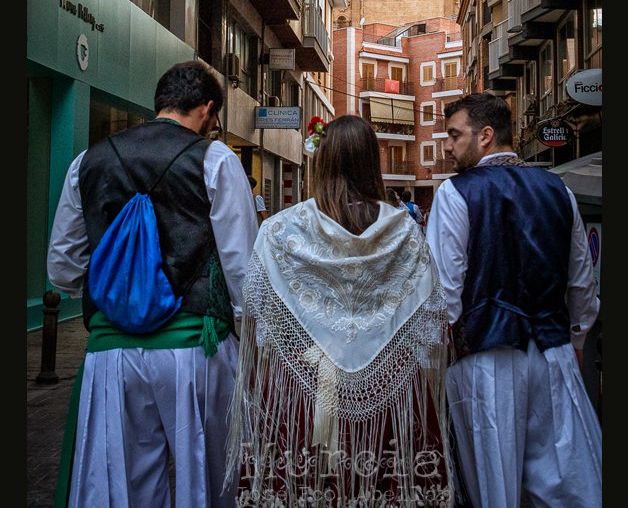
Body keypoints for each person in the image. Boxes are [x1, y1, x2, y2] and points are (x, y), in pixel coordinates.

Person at [47, 58, 259, 508]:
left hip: (111, 355)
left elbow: (63, 268)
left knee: (124, 488)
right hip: (195, 349)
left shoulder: (87, 162)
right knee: (205, 479)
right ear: (207, 109)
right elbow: (243, 268)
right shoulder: (216, 160)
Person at [224, 114, 455, 505]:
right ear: (372, 161)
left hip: (302, 389)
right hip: (389, 390)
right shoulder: (404, 231)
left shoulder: (280, 230)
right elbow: (428, 323)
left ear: (323, 159)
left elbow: (262, 324)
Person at [426, 92, 602, 508]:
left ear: (485, 135)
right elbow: (582, 282)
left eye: (454, 134)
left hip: (485, 362)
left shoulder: (455, 193)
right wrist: (575, 343)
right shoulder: (558, 190)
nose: (448, 146)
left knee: (495, 490)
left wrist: (433, 363)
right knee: (568, 487)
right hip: (553, 354)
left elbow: (443, 296)